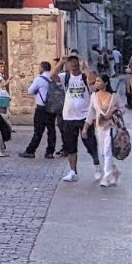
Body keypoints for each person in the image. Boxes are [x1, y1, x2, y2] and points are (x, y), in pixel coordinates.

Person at [55, 55, 91, 184]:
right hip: (69, 116)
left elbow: (93, 80)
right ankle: (73, 172)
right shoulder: (66, 77)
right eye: (71, 64)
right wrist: (60, 62)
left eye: (76, 64)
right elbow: (52, 77)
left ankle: (97, 165)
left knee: (90, 144)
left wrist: (85, 67)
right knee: (70, 146)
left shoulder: (84, 76)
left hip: (85, 116)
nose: (74, 66)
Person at [87, 74, 125, 188]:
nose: (97, 83)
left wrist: (113, 111)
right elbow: (91, 112)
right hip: (99, 127)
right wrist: (86, 126)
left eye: (99, 81)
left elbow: (122, 109)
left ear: (106, 83)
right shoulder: (94, 96)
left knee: (107, 151)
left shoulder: (114, 96)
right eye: (96, 81)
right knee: (103, 153)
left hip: (111, 127)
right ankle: (114, 170)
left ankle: (107, 177)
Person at [21, 61, 59, 158]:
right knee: (51, 130)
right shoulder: (53, 78)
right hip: (52, 107)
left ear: (42, 68)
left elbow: (30, 91)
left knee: (38, 130)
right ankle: (50, 152)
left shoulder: (39, 79)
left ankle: (31, 150)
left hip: (41, 107)